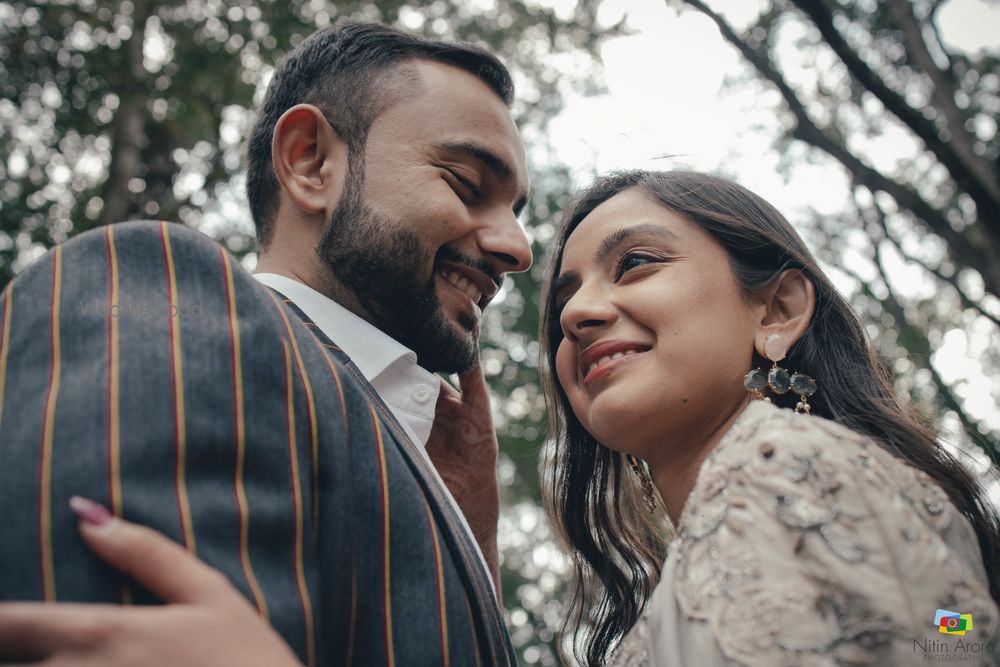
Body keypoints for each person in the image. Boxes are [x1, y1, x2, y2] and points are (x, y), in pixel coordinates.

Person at [0, 20, 531, 667]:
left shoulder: (432, 469)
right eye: (468, 185)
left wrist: (468, 545)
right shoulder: (168, 300)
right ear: (310, 162)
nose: (518, 250)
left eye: (518, 212)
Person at [540, 170, 1000, 666]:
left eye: (635, 263)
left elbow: (950, 635)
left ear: (776, 311)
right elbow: (950, 627)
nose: (574, 315)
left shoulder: (792, 469)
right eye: (566, 301)